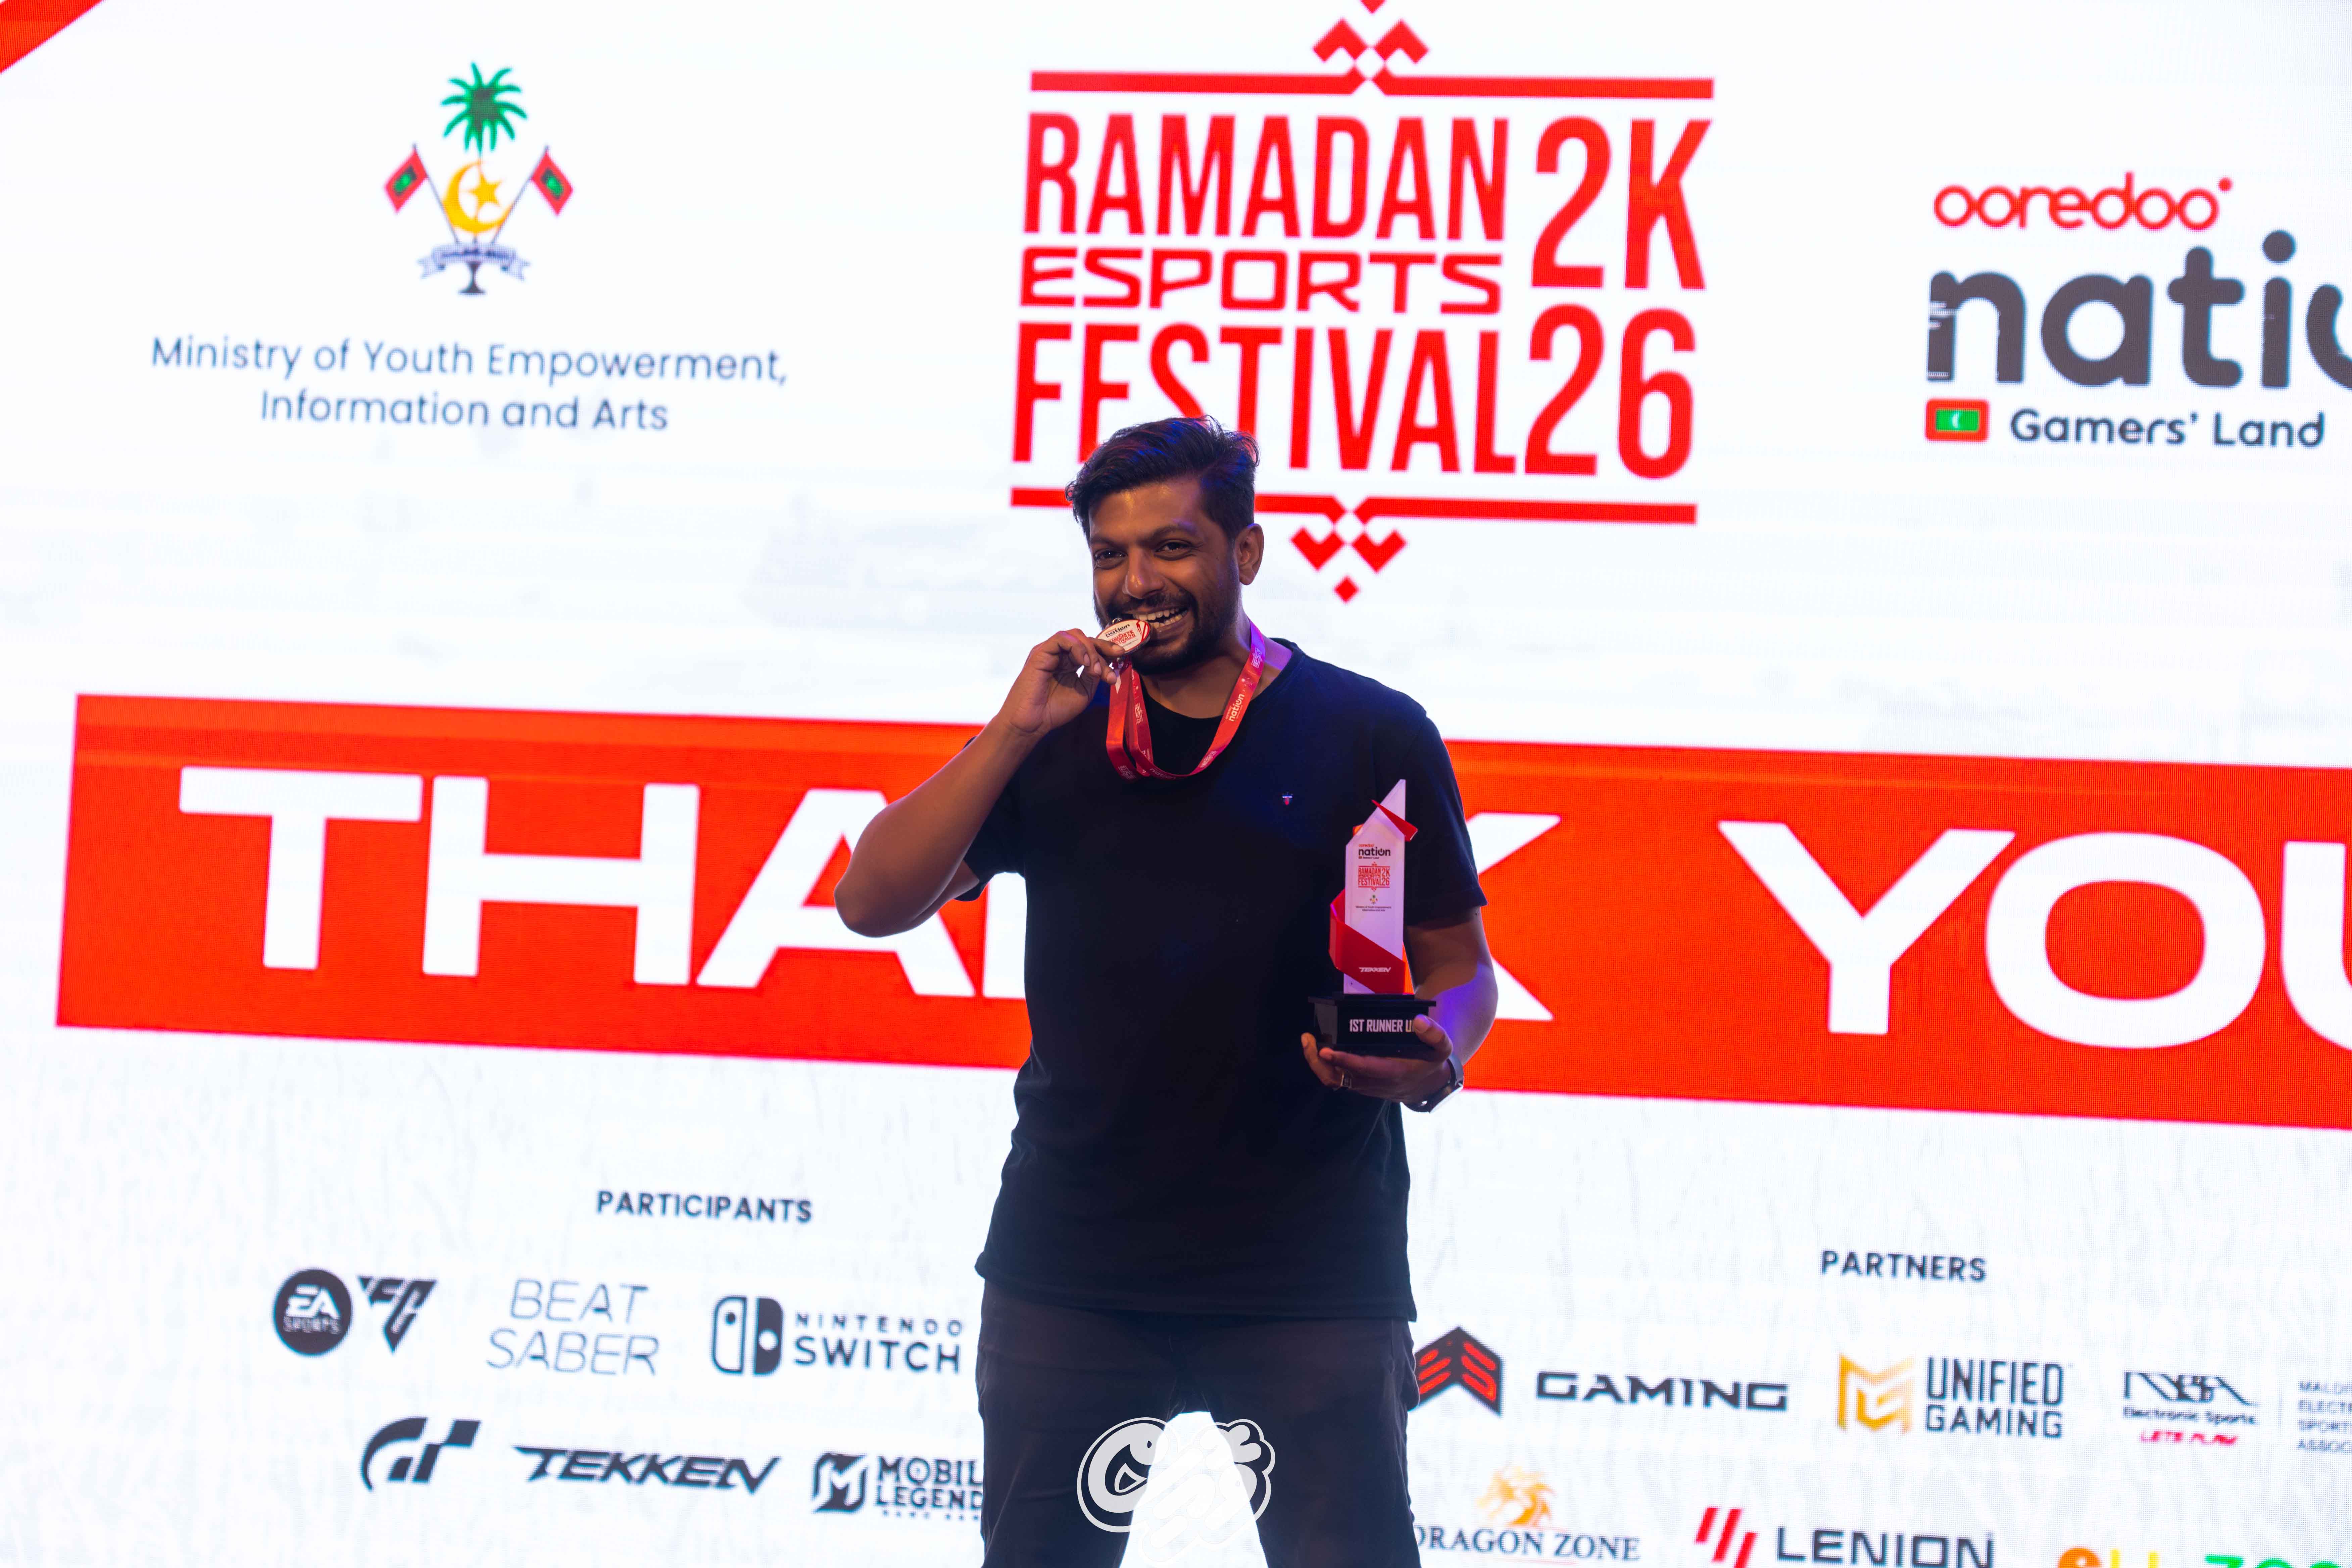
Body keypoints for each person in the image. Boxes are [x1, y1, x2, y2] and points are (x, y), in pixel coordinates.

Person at [835, 416, 1498, 1567]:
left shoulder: (1370, 731)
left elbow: (1461, 967)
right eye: (1111, 554)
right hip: (1074, 1263)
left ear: (1247, 552)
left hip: (1310, 1268)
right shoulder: (1055, 732)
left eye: (1173, 547)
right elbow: (870, 903)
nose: (1136, 581)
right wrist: (1011, 729)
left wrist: (1436, 1055)